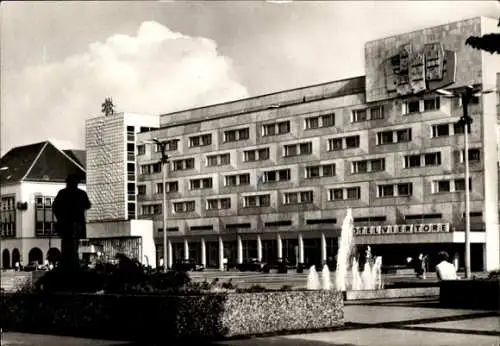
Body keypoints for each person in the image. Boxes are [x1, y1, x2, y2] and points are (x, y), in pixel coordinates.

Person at [52, 173, 91, 274]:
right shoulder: (81, 194)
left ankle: (67, 265)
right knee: (73, 246)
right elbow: (88, 205)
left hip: (66, 225)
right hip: (75, 224)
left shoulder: (63, 193)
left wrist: (60, 218)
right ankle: (72, 265)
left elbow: (55, 207)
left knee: (67, 246)